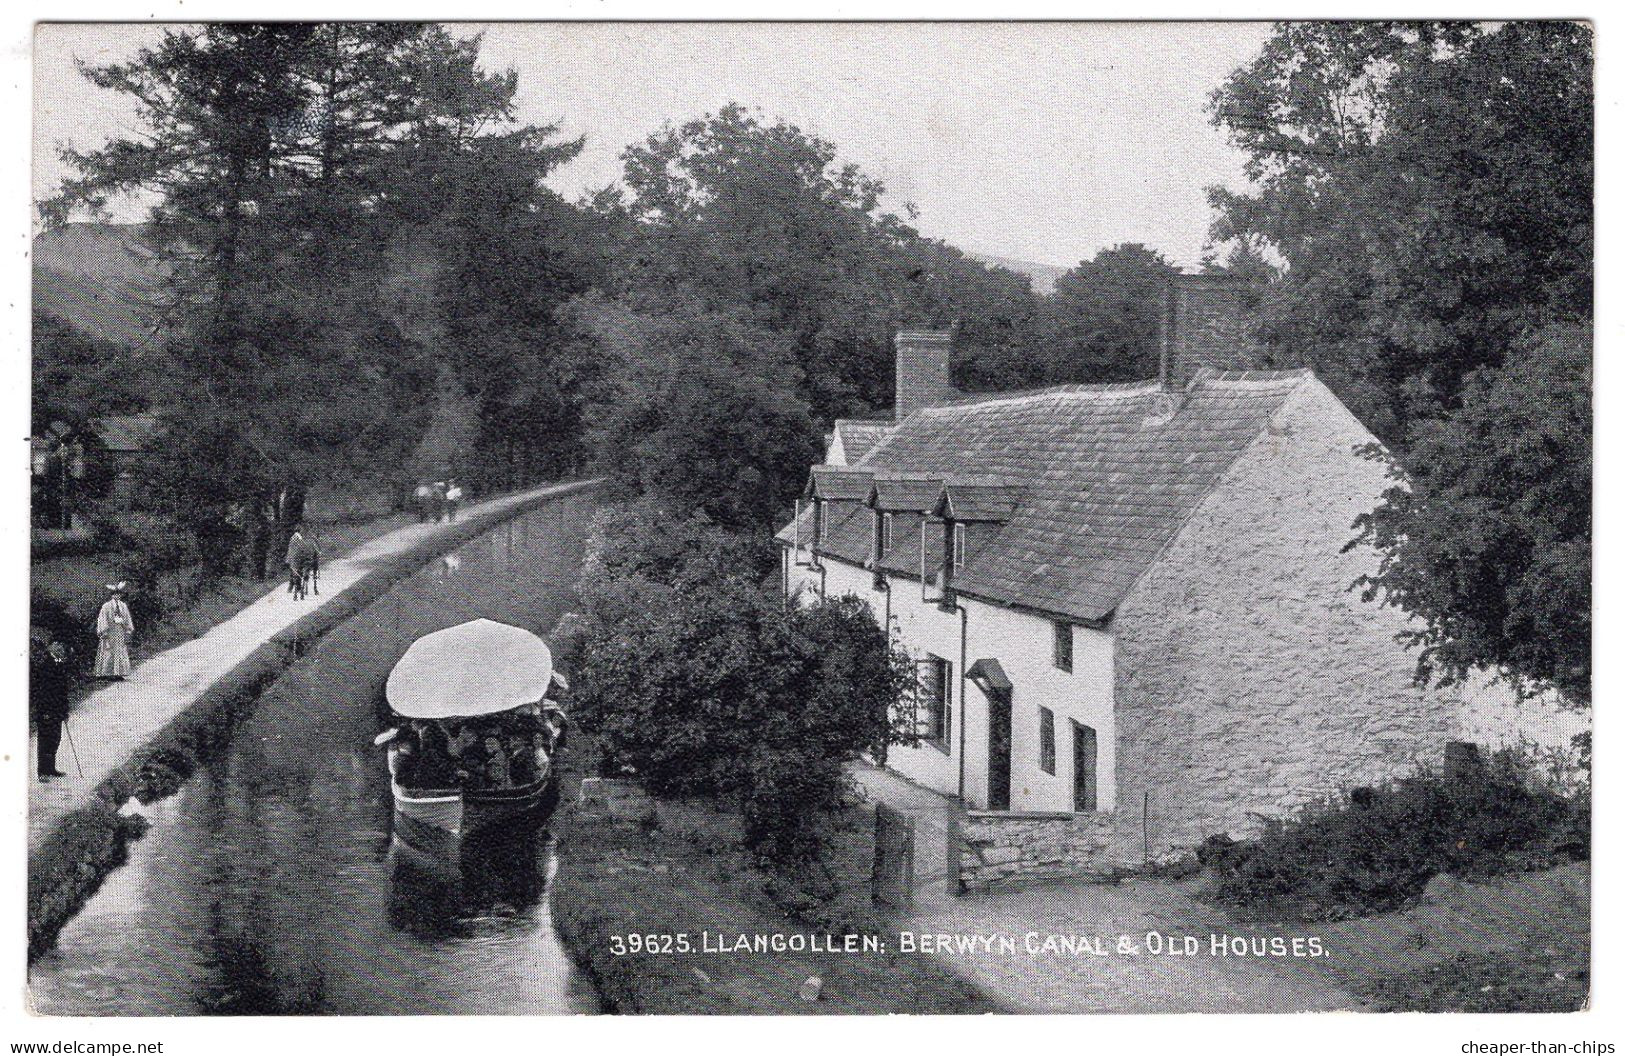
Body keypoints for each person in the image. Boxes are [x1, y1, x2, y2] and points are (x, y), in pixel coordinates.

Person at [31, 636, 73, 779]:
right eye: (58, 645)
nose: (61, 648)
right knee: (45, 739)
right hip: (47, 710)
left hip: (57, 709)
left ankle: (50, 768)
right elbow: (41, 691)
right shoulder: (45, 665)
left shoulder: (59, 663)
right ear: (51, 647)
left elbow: (63, 690)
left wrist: (64, 711)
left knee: (55, 738)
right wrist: (45, 711)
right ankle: (42, 771)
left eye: (62, 645)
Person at [93, 583, 134, 679]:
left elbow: (127, 617)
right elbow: (102, 618)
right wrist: (104, 631)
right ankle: (105, 673)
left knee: (119, 651)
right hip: (110, 631)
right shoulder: (106, 606)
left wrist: (128, 629)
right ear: (111, 595)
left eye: (118, 594)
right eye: (115, 594)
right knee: (108, 650)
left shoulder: (123, 606)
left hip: (119, 631)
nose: (117, 596)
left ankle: (118, 673)